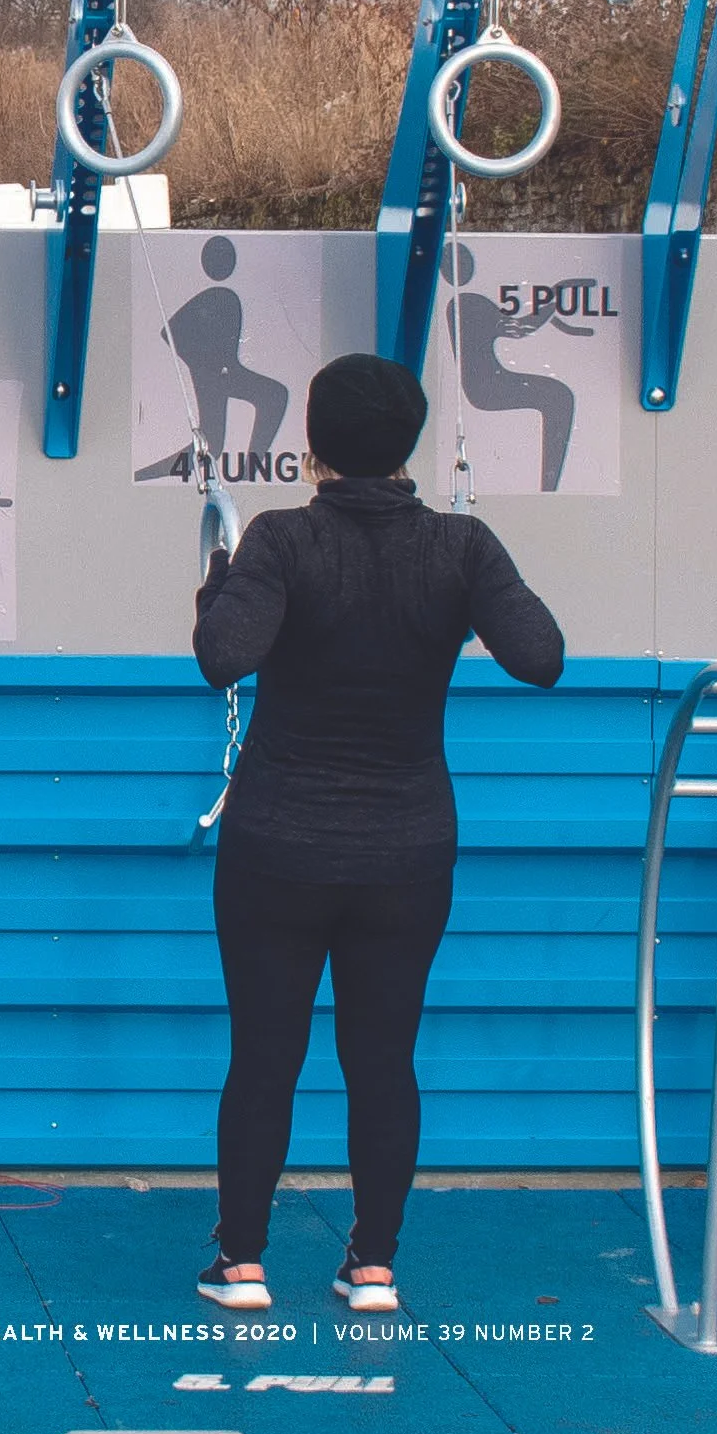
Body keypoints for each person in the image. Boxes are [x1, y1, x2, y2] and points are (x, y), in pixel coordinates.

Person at [190, 352, 564, 1314]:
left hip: (277, 846)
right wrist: (479, 577)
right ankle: (373, 1266)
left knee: (264, 1054)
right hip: (405, 851)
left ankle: (241, 1264)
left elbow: (223, 657)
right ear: (411, 441)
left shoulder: (277, 540)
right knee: (383, 1057)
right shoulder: (463, 547)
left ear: (313, 446)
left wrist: (216, 583)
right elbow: (541, 658)